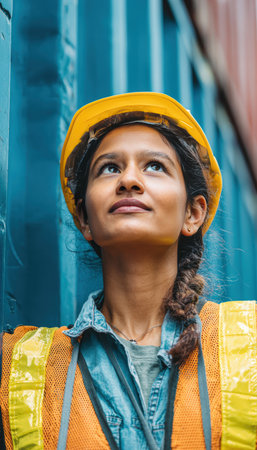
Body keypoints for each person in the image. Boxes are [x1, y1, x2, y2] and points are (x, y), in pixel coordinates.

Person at [0, 93, 256, 450]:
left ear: (192, 214)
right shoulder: (17, 369)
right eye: (109, 168)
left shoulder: (250, 344)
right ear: (85, 220)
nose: (129, 181)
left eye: (154, 166)